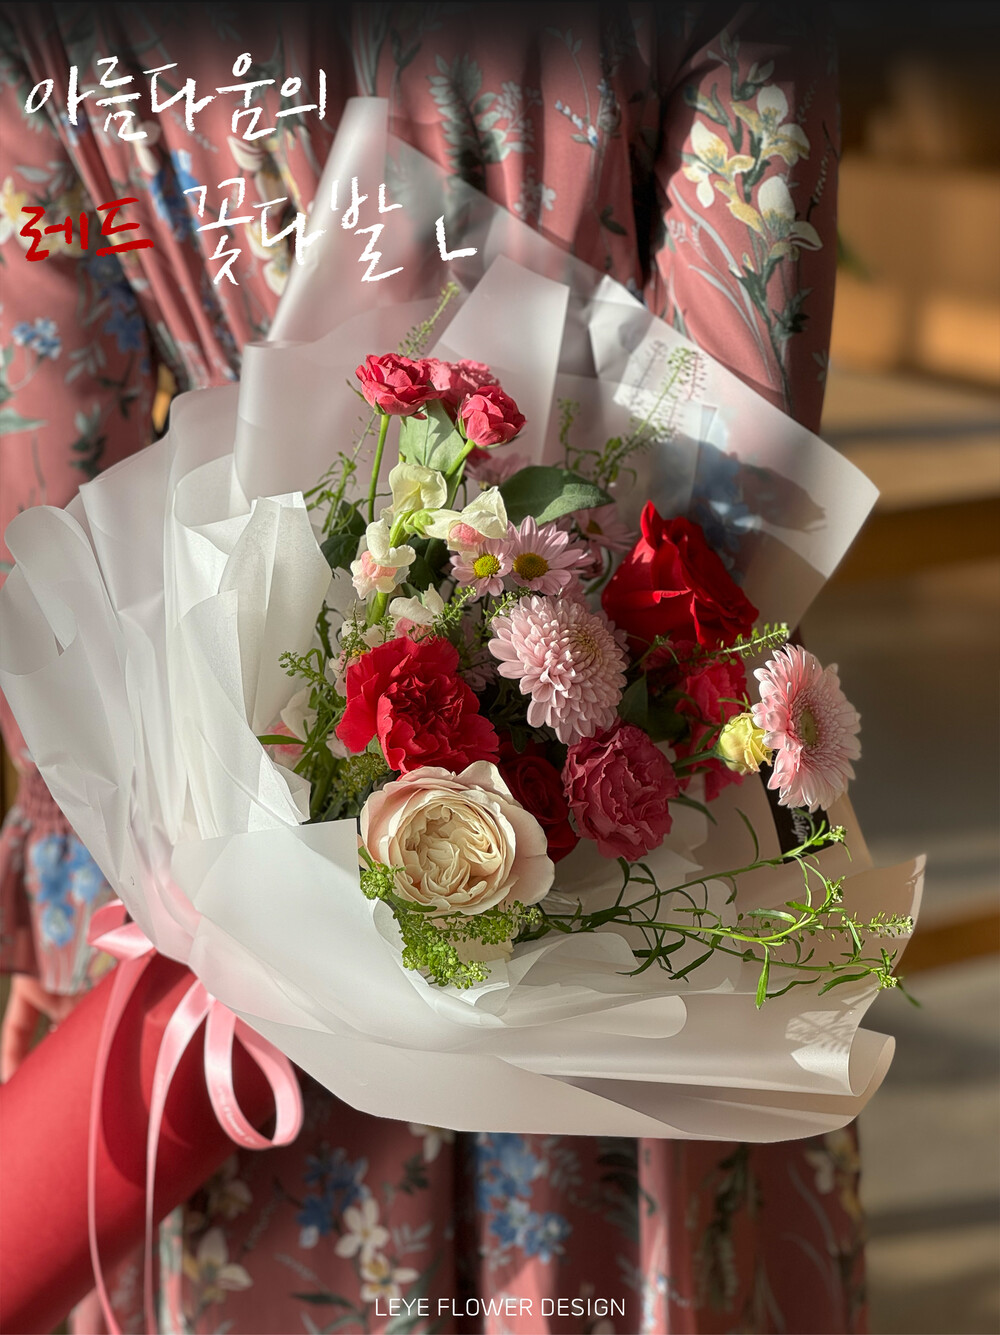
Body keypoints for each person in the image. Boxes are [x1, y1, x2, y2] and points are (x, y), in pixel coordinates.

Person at [0, 5, 866, 1332]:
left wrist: (85, 873)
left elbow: (54, 471)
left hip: (193, 866)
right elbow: (733, 469)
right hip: (625, 835)